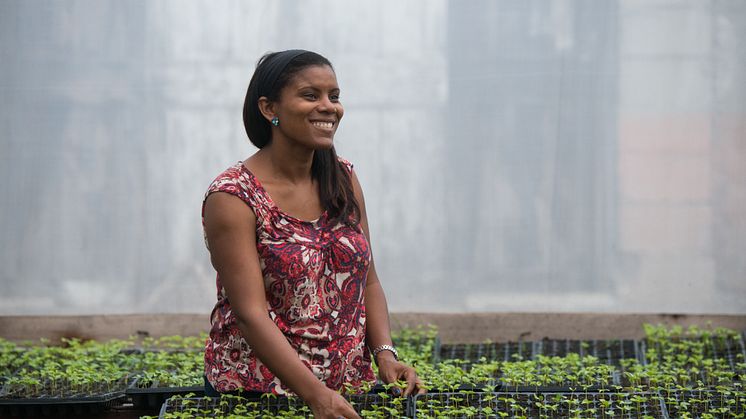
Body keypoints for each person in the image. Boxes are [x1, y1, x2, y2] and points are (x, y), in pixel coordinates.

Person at [201, 49, 425, 419]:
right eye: (311, 96)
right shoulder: (233, 196)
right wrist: (315, 395)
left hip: (347, 389)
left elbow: (368, 282)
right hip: (258, 395)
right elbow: (250, 314)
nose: (329, 107)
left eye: (334, 97)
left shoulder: (342, 178)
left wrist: (385, 355)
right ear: (269, 108)